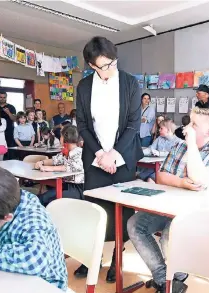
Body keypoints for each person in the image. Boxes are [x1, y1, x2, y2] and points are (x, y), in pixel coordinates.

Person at [127, 107, 209, 293]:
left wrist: (191, 144)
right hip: (169, 208)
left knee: (170, 234)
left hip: (197, 215)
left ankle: (177, 277)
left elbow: (198, 179)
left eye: (194, 125)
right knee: (135, 224)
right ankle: (164, 280)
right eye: (189, 122)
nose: (187, 127)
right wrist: (182, 182)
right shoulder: (178, 146)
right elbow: (161, 176)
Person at [75, 36, 144, 282]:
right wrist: (100, 154)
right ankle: (90, 256)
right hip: (95, 159)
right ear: (92, 65)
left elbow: (134, 124)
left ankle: (117, 257)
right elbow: (82, 125)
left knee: (121, 211)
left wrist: (114, 154)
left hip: (123, 157)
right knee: (95, 210)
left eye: (112, 62)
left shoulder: (129, 83)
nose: (110, 69)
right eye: (104, 65)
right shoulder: (83, 86)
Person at [35, 125, 84, 206]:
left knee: (47, 200)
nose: (60, 138)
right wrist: (42, 162)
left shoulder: (79, 152)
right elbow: (55, 160)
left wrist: (49, 168)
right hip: (66, 185)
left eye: (61, 136)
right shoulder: (66, 151)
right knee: (43, 197)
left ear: (66, 137)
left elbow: (69, 167)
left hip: (77, 189)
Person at [139, 118, 182, 183]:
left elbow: (172, 154)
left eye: (161, 128)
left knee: (150, 180)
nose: (159, 130)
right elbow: (151, 148)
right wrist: (139, 152)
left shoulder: (178, 141)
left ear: (168, 130)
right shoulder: (159, 138)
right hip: (154, 167)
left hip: (167, 169)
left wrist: (159, 153)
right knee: (139, 178)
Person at [0, 91, 17, 156]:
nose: (2, 99)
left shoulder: (11, 107)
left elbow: (14, 119)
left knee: (10, 150)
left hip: (9, 132)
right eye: (1, 97)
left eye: (4, 97)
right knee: (0, 150)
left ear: (6, 98)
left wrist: (8, 112)